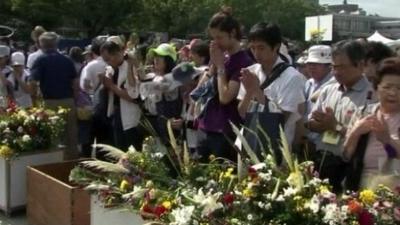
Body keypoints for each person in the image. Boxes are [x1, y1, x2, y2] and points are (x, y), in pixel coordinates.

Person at [307, 40, 375, 193]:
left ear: (360, 65)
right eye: (334, 67)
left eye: (342, 67)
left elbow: (367, 137)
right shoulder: (328, 91)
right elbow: (309, 124)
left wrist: (335, 126)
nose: (336, 72)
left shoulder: (372, 95)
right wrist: (320, 124)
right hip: (322, 162)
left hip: (349, 168)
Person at [191, 7, 254, 161]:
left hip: (224, 130)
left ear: (232, 34)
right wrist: (212, 66)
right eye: (213, 38)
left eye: (219, 37)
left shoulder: (244, 62)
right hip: (205, 125)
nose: (216, 42)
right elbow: (199, 90)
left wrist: (220, 67)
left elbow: (225, 97)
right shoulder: (221, 57)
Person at [237, 22, 305, 162]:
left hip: (276, 149)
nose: (256, 53)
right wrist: (250, 92)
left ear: (276, 47)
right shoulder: (250, 71)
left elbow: (281, 118)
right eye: (253, 48)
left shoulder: (292, 77)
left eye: (261, 48)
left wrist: (256, 90)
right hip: (249, 143)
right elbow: (242, 112)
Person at [344, 57, 400, 191]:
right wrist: (355, 133)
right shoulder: (363, 113)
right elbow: (346, 155)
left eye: (399, 88)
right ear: (376, 88)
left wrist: (387, 140)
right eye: (387, 87)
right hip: (361, 188)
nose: (392, 93)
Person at [30, 31, 80, 159]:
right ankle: (72, 162)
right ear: (56, 44)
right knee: (71, 135)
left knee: (53, 135)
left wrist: (34, 102)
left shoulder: (40, 60)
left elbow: (33, 82)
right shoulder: (67, 60)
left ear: (41, 44)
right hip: (68, 100)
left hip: (50, 102)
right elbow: (75, 82)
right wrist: (75, 99)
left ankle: (55, 163)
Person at [100, 36, 143, 151]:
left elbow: (134, 97)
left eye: (108, 59)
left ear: (117, 53)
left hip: (130, 119)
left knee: (132, 153)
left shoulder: (130, 67)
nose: (108, 63)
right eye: (105, 60)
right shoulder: (111, 69)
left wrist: (112, 86)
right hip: (116, 114)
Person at [304, 45, 336, 147]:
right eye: (309, 64)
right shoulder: (308, 83)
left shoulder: (335, 84)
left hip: (326, 142)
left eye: (317, 64)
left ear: (329, 66)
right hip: (307, 138)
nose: (312, 67)